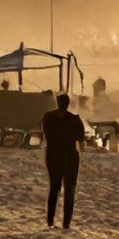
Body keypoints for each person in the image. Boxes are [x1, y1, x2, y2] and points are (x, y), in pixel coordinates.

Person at [41, 92, 87, 228]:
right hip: (70, 158)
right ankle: (66, 223)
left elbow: (46, 134)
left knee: (54, 188)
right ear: (68, 103)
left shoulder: (48, 117)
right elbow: (81, 139)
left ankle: (50, 221)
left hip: (53, 156)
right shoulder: (74, 119)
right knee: (69, 191)